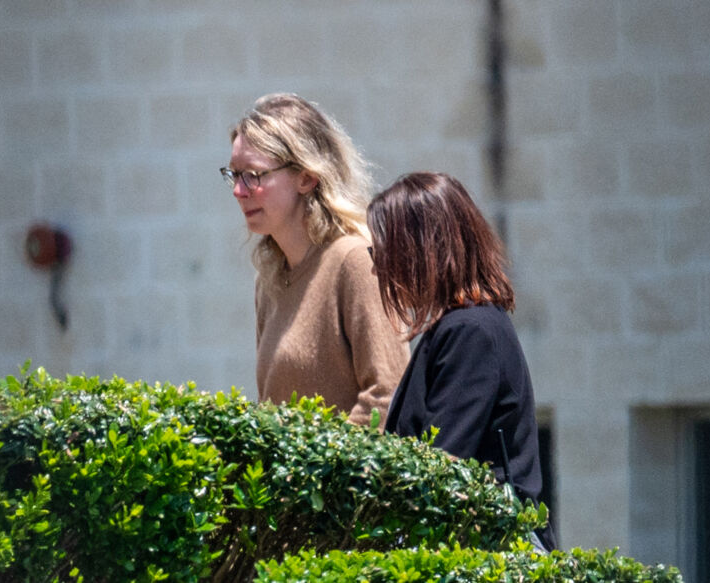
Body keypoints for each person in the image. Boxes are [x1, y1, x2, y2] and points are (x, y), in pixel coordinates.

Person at [366, 171, 556, 550]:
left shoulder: (470, 331)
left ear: (419, 249)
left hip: (490, 550)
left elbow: (441, 463)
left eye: (380, 252)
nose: (375, 268)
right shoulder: (465, 326)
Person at [221, 93, 409, 428]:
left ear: (307, 177)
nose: (239, 190)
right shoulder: (270, 280)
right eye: (234, 175)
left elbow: (388, 393)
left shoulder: (356, 260)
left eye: (254, 174)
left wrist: (324, 475)